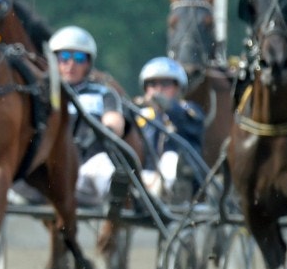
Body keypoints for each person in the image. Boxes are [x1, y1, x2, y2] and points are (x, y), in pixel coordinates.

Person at [50, 25, 127, 206]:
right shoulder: (44, 94)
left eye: (79, 58)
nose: (71, 64)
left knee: (102, 166)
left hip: (87, 166)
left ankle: (116, 196)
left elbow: (115, 123)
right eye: (64, 57)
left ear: (88, 63)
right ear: (55, 61)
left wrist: (107, 129)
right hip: (51, 170)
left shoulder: (103, 93)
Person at [133, 56, 205, 201]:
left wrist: (165, 106)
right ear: (145, 88)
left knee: (170, 159)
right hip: (145, 174)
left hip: (182, 179)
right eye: (152, 84)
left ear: (178, 87)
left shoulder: (189, 109)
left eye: (165, 84)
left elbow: (188, 124)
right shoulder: (140, 114)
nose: (158, 89)